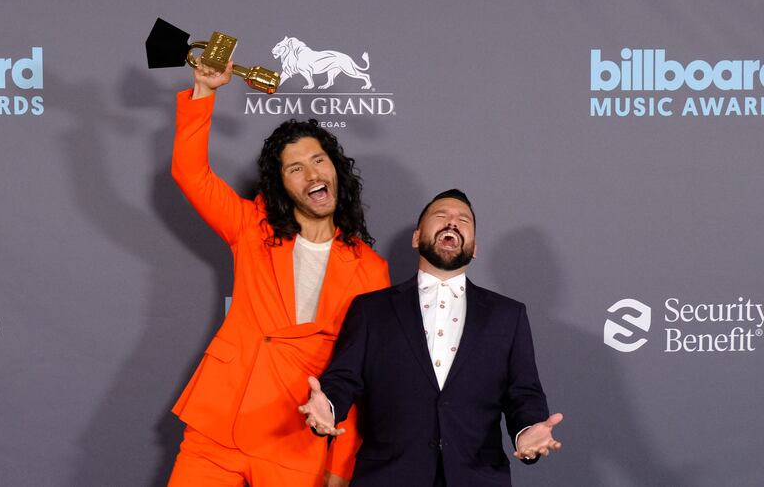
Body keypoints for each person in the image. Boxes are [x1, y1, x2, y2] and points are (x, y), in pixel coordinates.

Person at [167, 59, 390, 487]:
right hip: (218, 428)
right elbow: (190, 173)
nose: (311, 174)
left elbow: (362, 373)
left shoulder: (371, 269)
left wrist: (339, 467)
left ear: (336, 170)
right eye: (295, 168)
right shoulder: (252, 226)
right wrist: (205, 91)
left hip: (295, 437)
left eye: (318, 160)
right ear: (282, 186)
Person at [299, 189, 562, 487]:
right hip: (388, 477)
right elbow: (344, 379)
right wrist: (328, 407)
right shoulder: (371, 309)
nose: (452, 223)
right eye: (441, 216)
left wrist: (527, 430)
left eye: (463, 220)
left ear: (474, 247)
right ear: (416, 238)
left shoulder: (508, 315)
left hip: (477, 476)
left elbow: (524, 393)